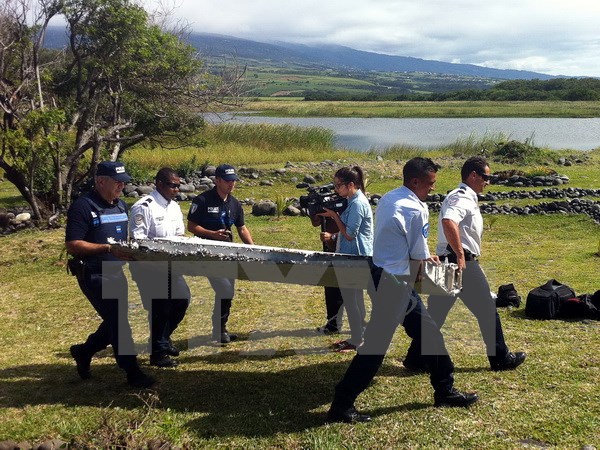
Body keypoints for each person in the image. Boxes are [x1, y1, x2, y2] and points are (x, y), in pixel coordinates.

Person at [327, 157, 478, 424]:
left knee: (430, 334)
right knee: (375, 348)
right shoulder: (415, 209)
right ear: (416, 181)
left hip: (383, 273)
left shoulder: (389, 197)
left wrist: (420, 255)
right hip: (394, 282)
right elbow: (416, 254)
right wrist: (426, 258)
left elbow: (403, 243)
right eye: (430, 183)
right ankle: (341, 404)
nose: (433, 188)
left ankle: (445, 389)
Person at [403, 156, 526, 372]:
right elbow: (449, 221)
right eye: (486, 177)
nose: (488, 181)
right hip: (461, 263)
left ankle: (415, 359)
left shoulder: (466, 197)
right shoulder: (461, 197)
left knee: (436, 315)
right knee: (487, 309)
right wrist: (460, 254)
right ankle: (500, 357)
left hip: (451, 261)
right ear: (473, 175)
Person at [66, 161, 155, 388]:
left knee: (114, 319)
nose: (121, 186)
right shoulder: (83, 207)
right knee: (119, 321)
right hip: (94, 272)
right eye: (117, 182)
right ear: (100, 181)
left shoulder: (121, 206)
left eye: (123, 182)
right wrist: (106, 249)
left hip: (116, 272)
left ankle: (84, 351)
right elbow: (73, 244)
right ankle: (132, 371)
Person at [129, 167, 190, 368]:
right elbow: (138, 242)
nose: (176, 190)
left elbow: (179, 236)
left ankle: (163, 338)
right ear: (160, 184)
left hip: (170, 265)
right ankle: (158, 353)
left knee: (181, 300)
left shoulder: (174, 207)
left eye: (178, 186)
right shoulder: (144, 207)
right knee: (160, 307)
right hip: (148, 266)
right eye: (173, 185)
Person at [187, 164, 254, 343]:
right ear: (217, 181)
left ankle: (220, 328)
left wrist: (254, 248)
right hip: (207, 253)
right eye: (227, 181)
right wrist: (212, 234)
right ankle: (219, 329)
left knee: (228, 290)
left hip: (228, 253)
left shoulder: (234, 203)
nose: (231, 184)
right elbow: (191, 226)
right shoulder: (202, 200)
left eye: (234, 181)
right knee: (224, 288)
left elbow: (242, 228)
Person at [318, 166, 373, 353]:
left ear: (351, 185)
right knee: (354, 299)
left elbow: (350, 234)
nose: (336, 190)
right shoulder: (351, 200)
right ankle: (359, 336)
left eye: (339, 186)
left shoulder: (358, 203)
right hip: (350, 256)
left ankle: (357, 339)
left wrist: (334, 216)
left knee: (352, 300)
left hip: (356, 256)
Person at [310, 213, 345, 335]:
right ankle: (332, 325)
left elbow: (354, 230)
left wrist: (333, 237)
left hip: (344, 249)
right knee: (330, 287)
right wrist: (314, 210)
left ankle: (358, 328)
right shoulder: (328, 201)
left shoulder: (350, 203)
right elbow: (315, 222)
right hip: (329, 249)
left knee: (348, 292)